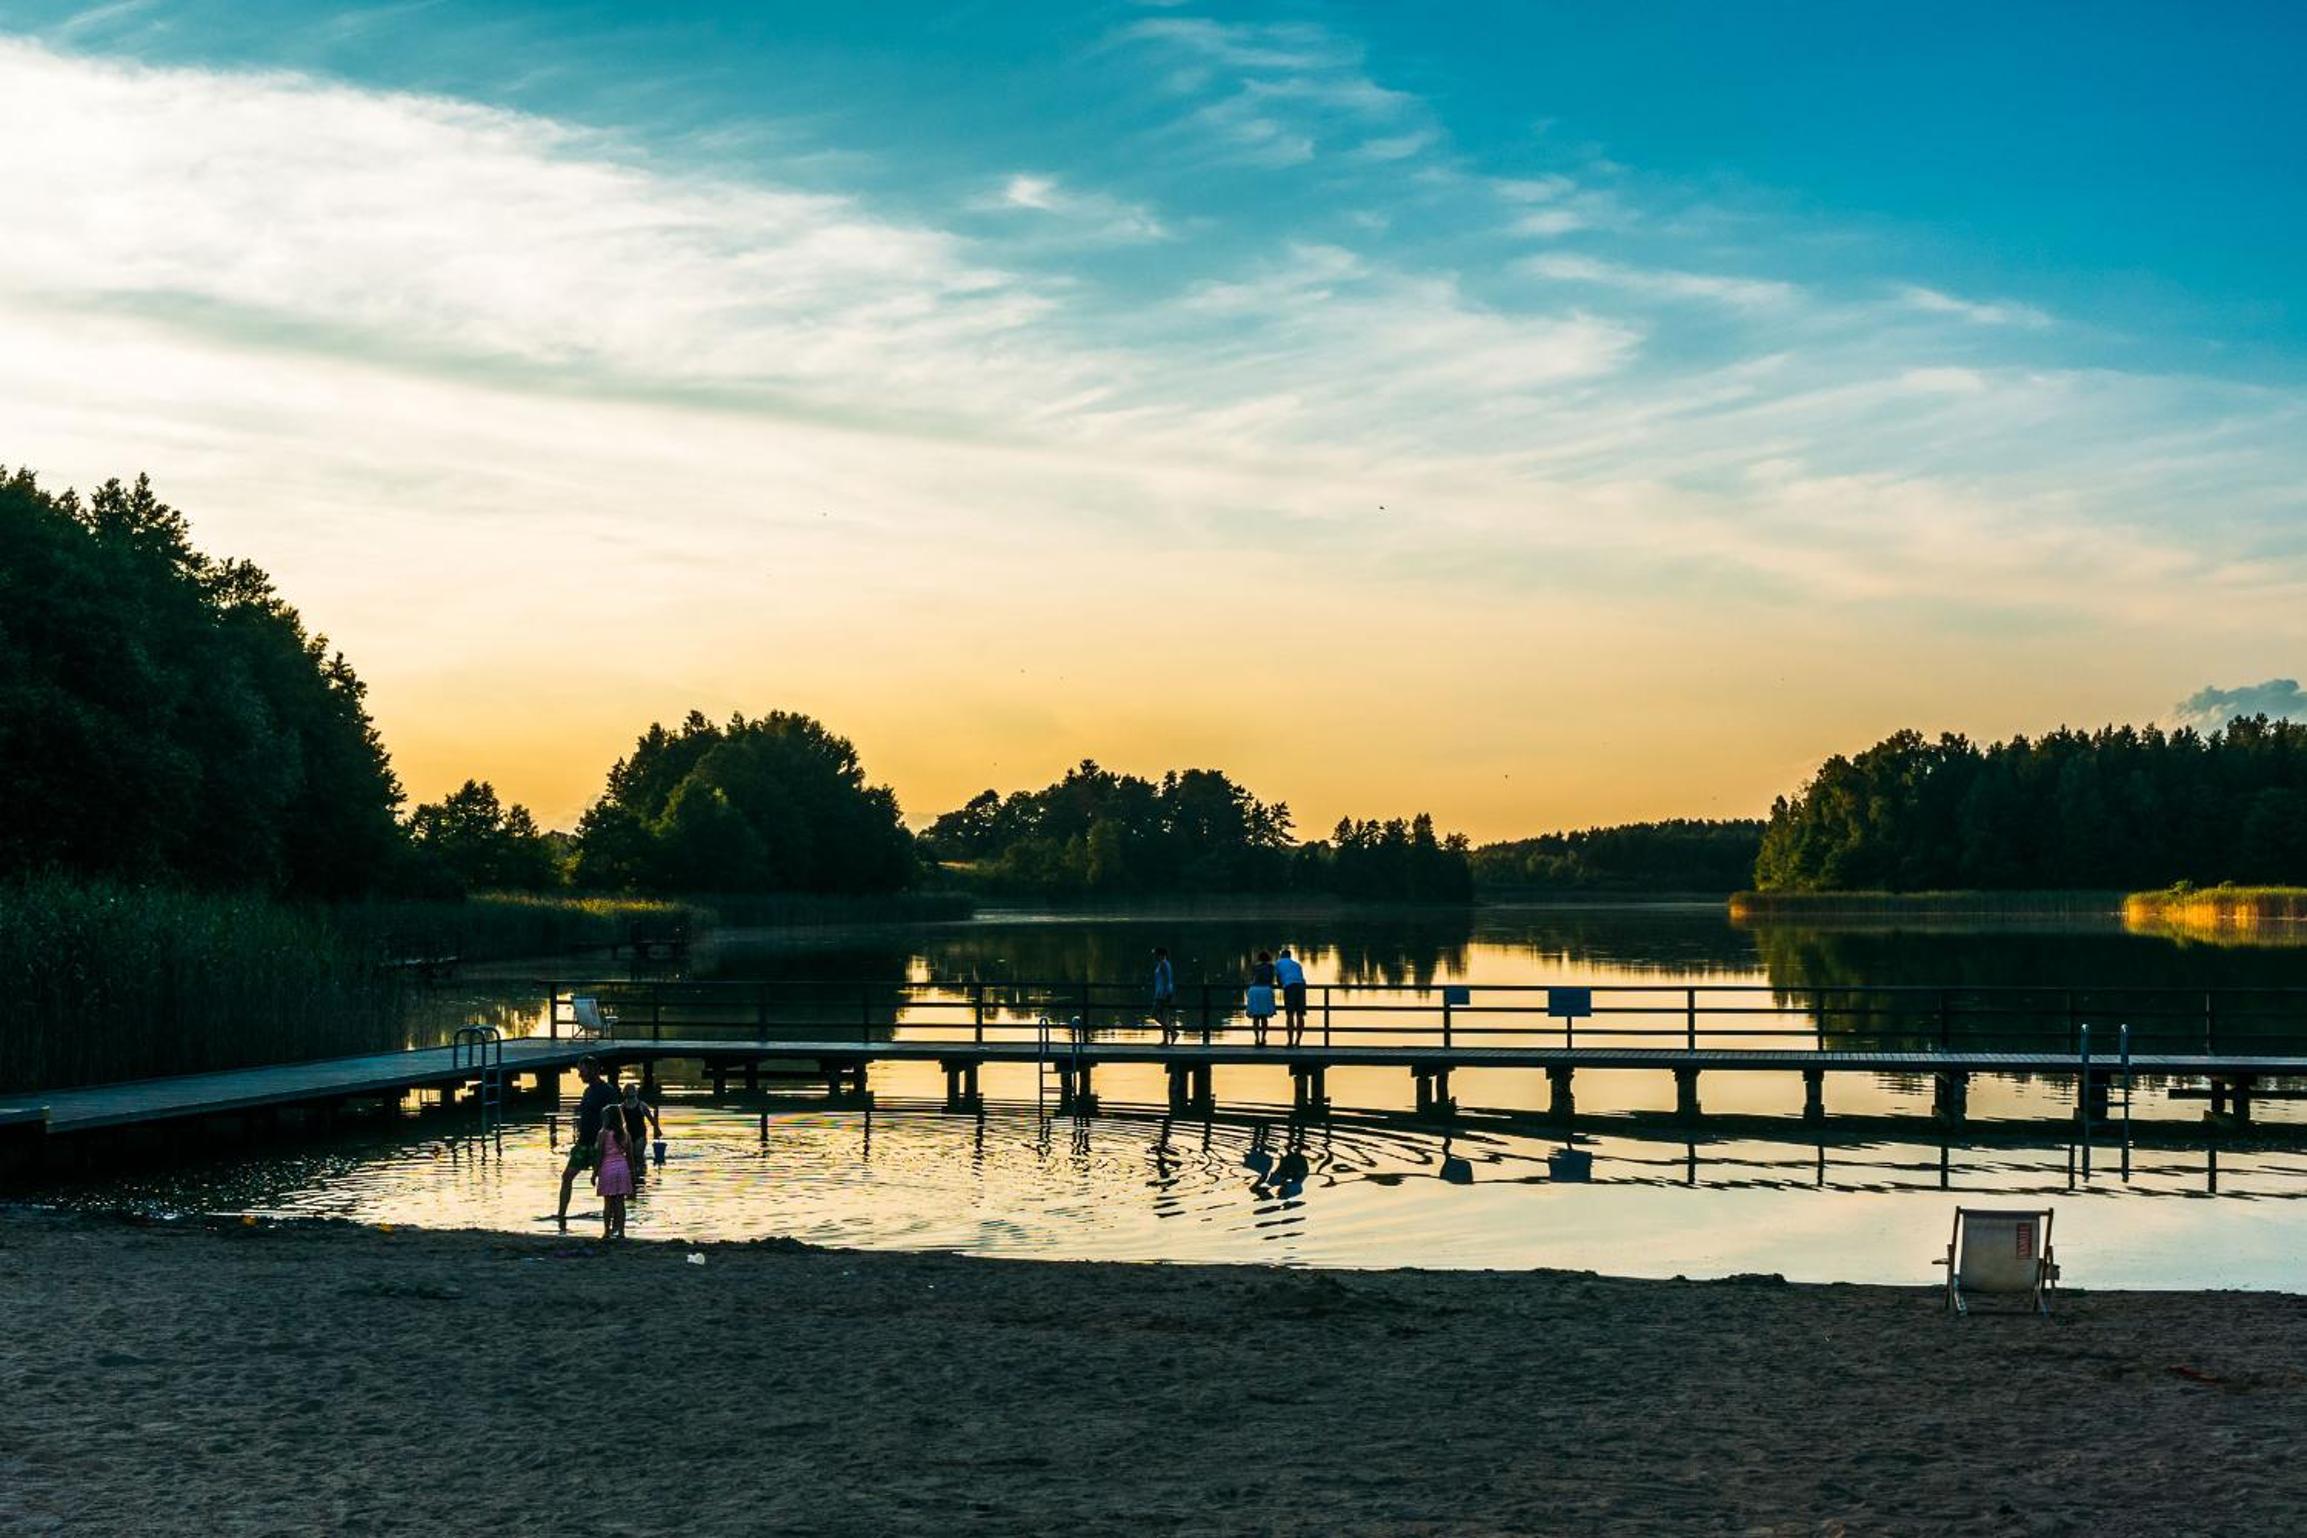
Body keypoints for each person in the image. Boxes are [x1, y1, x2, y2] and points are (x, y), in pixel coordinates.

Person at [555, 1057, 619, 1231]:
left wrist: (613, 1143)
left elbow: (615, 1118)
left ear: (593, 1070)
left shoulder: (607, 1091)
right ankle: (561, 1215)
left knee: (607, 1185)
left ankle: (612, 1223)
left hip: (600, 1144)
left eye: (582, 1071)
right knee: (567, 1176)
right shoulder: (588, 1091)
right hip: (584, 1142)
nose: (579, 1075)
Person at [594, 1099, 635, 1239]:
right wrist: (632, 1172)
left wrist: (594, 1173)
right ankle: (621, 1232)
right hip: (622, 1168)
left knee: (608, 1203)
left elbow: (600, 1154)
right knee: (620, 1203)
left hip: (607, 1168)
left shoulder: (603, 1133)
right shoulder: (625, 1134)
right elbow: (630, 1155)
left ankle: (606, 1231)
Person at [621, 1082, 662, 1177]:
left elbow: (651, 1119)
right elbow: (618, 1123)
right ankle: (633, 1172)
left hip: (640, 1134)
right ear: (625, 1093)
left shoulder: (642, 1105)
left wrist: (657, 1129)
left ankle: (641, 1172)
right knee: (630, 1155)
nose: (630, 1093)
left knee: (638, 1154)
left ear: (635, 1092)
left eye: (632, 1091)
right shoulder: (622, 1106)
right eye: (628, 1091)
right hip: (628, 1134)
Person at [1274, 946, 1309, 1048]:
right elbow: (1302, 978)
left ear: (1281, 956)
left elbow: (1278, 978)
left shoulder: (1278, 963)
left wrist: (1280, 985)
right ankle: (1297, 1042)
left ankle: (1290, 1041)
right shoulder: (1297, 964)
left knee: (1290, 1015)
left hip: (1289, 986)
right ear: (1290, 956)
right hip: (1301, 986)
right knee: (1300, 1015)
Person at [1246, 951, 1277, 1047]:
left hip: (1254, 990)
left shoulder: (1254, 967)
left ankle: (1256, 1038)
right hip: (1265, 989)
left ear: (1259, 958)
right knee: (1264, 1017)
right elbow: (1271, 980)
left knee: (1255, 1017)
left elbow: (1250, 978)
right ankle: (1263, 1038)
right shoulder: (1271, 967)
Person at [1151, 947, 1177, 1046]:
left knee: (1154, 1015)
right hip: (1163, 993)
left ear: (1160, 955)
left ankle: (1173, 1032)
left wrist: (1165, 994)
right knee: (1162, 1016)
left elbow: (1166, 980)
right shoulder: (1165, 964)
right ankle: (1165, 1040)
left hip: (1162, 994)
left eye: (1156, 954)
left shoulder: (1163, 964)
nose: (1155, 956)